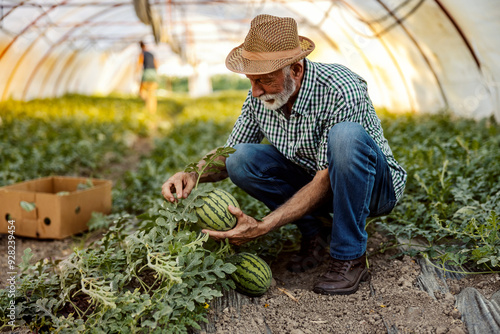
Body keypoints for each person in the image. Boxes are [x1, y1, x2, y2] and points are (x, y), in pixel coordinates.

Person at [162, 14, 407, 295]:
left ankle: (349, 255)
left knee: (345, 136)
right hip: (316, 180)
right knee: (239, 159)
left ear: (296, 71)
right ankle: (314, 232)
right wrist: (193, 172)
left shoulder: (341, 88)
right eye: (251, 81)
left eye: (264, 80)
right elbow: (230, 152)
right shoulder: (261, 97)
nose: (255, 91)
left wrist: (265, 225)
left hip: (373, 188)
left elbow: (326, 177)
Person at [137, 41, 158, 115]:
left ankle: (148, 109)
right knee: (152, 93)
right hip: (153, 74)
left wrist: (137, 74)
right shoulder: (151, 54)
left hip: (146, 73)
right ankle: (152, 110)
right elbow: (156, 64)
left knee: (142, 92)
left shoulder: (142, 54)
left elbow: (139, 64)